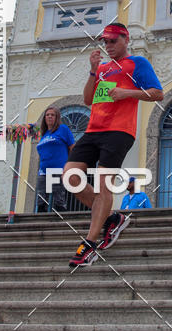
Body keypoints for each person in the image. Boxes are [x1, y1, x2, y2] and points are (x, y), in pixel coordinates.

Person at [65, 23, 163, 266]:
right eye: (105, 42)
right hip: (93, 130)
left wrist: (127, 93)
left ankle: (89, 244)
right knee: (70, 177)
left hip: (119, 131)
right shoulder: (103, 69)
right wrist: (92, 71)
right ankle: (111, 218)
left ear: (125, 40)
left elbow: (157, 93)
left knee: (103, 185)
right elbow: (88, 99)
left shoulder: (137, 63)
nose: (108, 46)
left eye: (113, 41)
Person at [35, 106, 74, 213]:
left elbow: (72, 147)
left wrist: (70, 165)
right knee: (41, 201)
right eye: (47, 115)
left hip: (58, 169)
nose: (50, 117)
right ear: (44, 118)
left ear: (57, 117)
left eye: (52, 115)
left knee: (58, 200)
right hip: (43, 171)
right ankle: (41, 221)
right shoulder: (44, 134)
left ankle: (61, 219)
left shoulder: (63, 129)